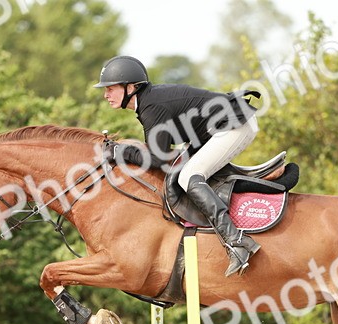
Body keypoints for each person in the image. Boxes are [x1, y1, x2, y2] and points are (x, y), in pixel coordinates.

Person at [95, 55, 262, 275]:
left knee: (189, 177)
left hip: (234, 124)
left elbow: (157, 158)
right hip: (218, 128)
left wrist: (119, 151)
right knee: (184, 170)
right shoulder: (149, 101)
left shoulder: (151, 106)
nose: (106, 95)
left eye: (111, 88)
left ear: (131, 88)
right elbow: (165, 154)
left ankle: (237, 242)